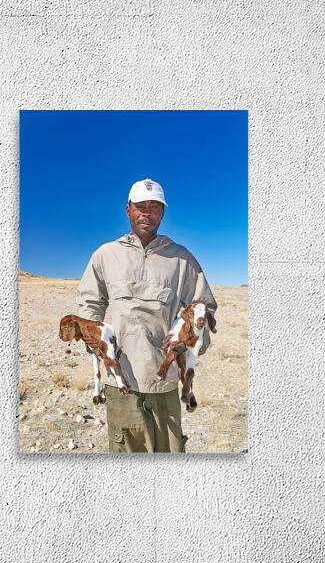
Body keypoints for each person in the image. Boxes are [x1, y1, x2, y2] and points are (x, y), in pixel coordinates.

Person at [75, 178, 218, 453]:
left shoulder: (182, 259)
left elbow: (205, 308)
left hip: (164, 383)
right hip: (120, 381)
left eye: (154, 207)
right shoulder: (105, 255)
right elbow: (89, 303)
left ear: (162, 213)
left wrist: (188, 341)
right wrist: (94, 340)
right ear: (128, 210)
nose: (147, 213)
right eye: (140, 206)